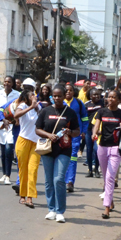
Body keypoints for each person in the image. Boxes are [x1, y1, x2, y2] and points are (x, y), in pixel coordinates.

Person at [35, 85, 80, 223]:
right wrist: (49, 135)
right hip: (47, 149)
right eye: (54, 96)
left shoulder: (70, 112)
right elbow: (37, 129)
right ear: (52, 96)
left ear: (64, 96)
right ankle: (51, 209)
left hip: (64, 150)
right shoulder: (45, 111)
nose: (57, 98)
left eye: (59, 96)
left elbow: (77, 130)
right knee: (49, 181)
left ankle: (60, 211)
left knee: (59, 179)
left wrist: (70, 132)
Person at [92, 90, 121, 219]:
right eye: (109, 97)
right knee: (105, 177)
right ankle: (111, 200)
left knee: (110, 178)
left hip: (115, 148)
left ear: (119, 100)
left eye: (114, 97)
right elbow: (96, 125)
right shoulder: (102, 112)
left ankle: (106, 207)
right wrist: (94, 133)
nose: (111, 99)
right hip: (102, 147)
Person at [13, 87, 41, 208]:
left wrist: (36, 107)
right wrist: (30, 107)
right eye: (32, 95)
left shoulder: (38, 108)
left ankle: (30, 197)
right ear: (27, 98)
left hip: (36, 142)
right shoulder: (23, 106)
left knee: (33, 169)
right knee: (23, 169)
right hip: (23, 141)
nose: (35, 96)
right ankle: (22, 196)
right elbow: (16, 115)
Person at [0, 77, 19, 185]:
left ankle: (8, 175)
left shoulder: (17, 95)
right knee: (2, 150)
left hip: (12, 125)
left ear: (12, 84)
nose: (7, 83)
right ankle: (4, 174)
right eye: (5, 82)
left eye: (9, 82)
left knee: (8, 149)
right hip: (1, 125)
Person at [64, 83, 89, 193]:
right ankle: (62, 180)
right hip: (61, 135)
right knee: (63, 157)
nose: (68, 92)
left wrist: (83, 131)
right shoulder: (60, 102)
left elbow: (84, 118)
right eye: (66, 90)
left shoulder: (79, 103)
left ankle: (70, 182)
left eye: (70, 90)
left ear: (74, 92)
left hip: (75, 135)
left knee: (73, 157)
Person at [83, 88, 104, 178]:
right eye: (94, 95)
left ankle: (97, 169)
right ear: (90, 96)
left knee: (97, 150)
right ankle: (90, 170)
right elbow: (83, 117)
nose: (96, 96)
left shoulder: (102, 103)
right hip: (88, 130)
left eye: (97, 94)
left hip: (98, 130)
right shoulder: (86, 104)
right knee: (89, 150)